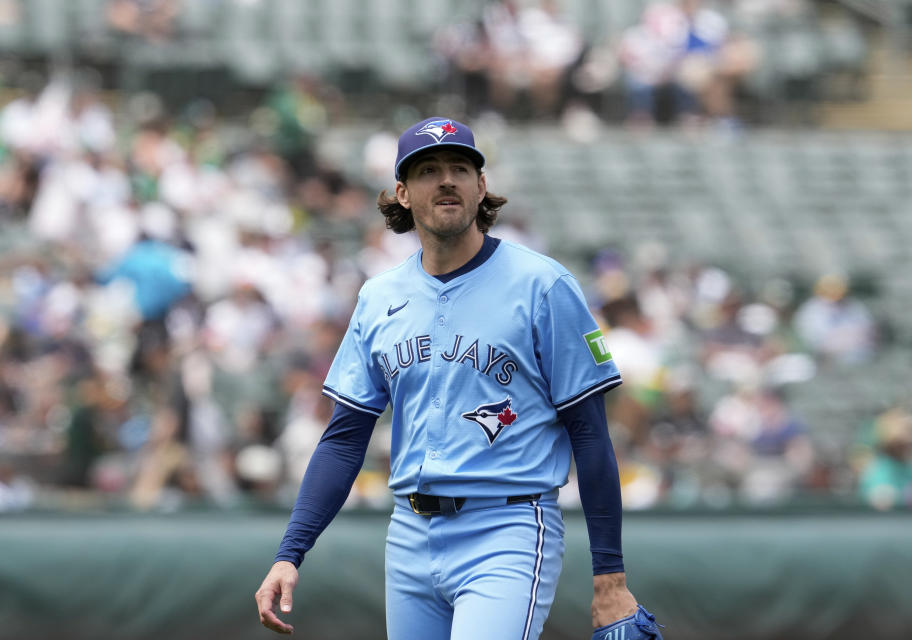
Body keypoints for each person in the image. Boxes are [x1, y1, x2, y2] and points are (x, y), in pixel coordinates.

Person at [255, 117, 663, 639]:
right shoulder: (379, 298)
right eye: (428, 171)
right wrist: (290, 553)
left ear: (481, 186)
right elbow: (344, 438)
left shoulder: (542, 284)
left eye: (459, 168)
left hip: (508, 527)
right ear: (402, 193)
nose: (446, 180)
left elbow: (589, 431)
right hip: (408, 532)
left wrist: (610, 577)